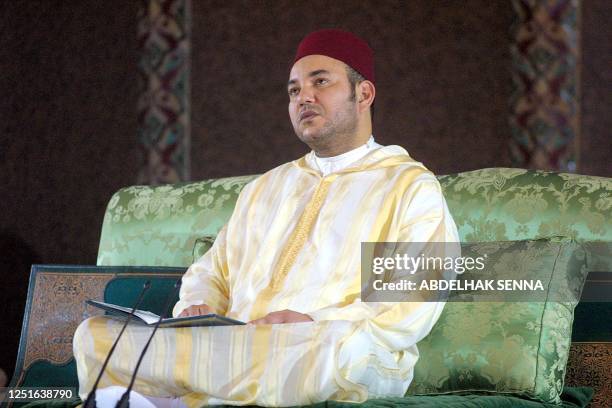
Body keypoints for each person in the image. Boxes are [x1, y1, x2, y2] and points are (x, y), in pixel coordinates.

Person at [73, 29, 459, 407]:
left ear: (364, 93)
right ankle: (187, 396)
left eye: (320, 82)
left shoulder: (408, 185)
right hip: (237, 341)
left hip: (330, 346)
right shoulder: (267, 187)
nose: (304, 97)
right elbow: (213, 271)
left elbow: (412, 299)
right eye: (293, 91)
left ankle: (165, 398)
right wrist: (197, 305)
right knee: (96, 337)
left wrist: (310, 319)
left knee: (320, 353)